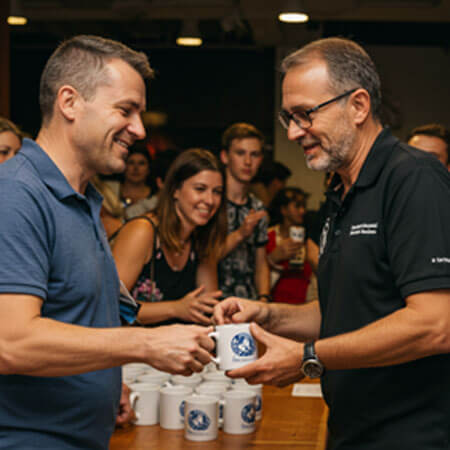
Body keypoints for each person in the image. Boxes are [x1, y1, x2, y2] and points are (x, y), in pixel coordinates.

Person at [214, 37, 450, 450]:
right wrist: (269, 315)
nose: (292, 132)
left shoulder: (413, 178)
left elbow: (436, 324)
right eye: (288, 117)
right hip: (350, 430)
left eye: (305, 115)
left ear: (358, 106)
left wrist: (309, 357)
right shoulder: (340, 192)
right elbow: (348, 310)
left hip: (410, 435)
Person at [0, 35, 215, 450]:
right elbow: (10, 342)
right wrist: (145, 345)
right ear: (69, 103)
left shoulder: (82, 201)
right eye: (125, 110)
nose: (138, 129)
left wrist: (104, 379)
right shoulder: (16, 195)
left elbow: (77, 315)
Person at [112, 148, 226, 326]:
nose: (210, 200)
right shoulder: (143, 231)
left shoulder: (202, 238)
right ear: (175, 190)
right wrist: (176, 308)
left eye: (217, 191)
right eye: (200, 189)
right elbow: (113, 306)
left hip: (177, 349)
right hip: (131, 347)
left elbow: (207, 310)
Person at [218, 122, 271, 301]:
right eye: (240, 153)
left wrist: (264, 298)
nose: (248, 162)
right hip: (211, 301)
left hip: (247, 302)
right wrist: (241, 234)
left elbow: (261, 263)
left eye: (254, 154)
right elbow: (204, 258)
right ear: (225, 157)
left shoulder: (257, 207)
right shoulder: (210, 202)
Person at [266, 187, 314, 304]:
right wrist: (273, 257)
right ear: (283, 210)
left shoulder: (309, 240)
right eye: (297, 206)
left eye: (303, 206)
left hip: (304, 304)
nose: (302, 211)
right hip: (274, 303)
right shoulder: (268, 236)